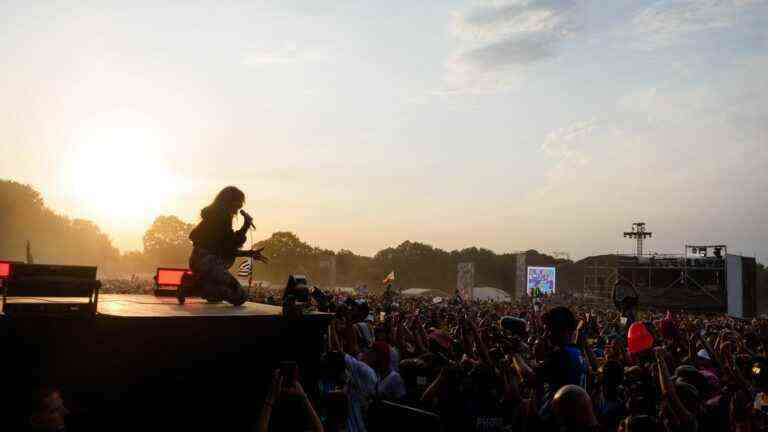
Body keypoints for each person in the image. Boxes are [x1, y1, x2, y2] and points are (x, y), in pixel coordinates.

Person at [188, 186, 268, 305]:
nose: (240, 205)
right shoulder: (222, 217)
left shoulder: (214, 215)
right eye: (239, 201)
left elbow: (225, 246)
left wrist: (249, 253)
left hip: (198, 260)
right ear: (230, 201)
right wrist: (246, 226)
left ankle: (198, 283)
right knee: (240, 296)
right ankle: (195, 285)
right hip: (208, 263)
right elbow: (229, 248)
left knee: (214, 297)